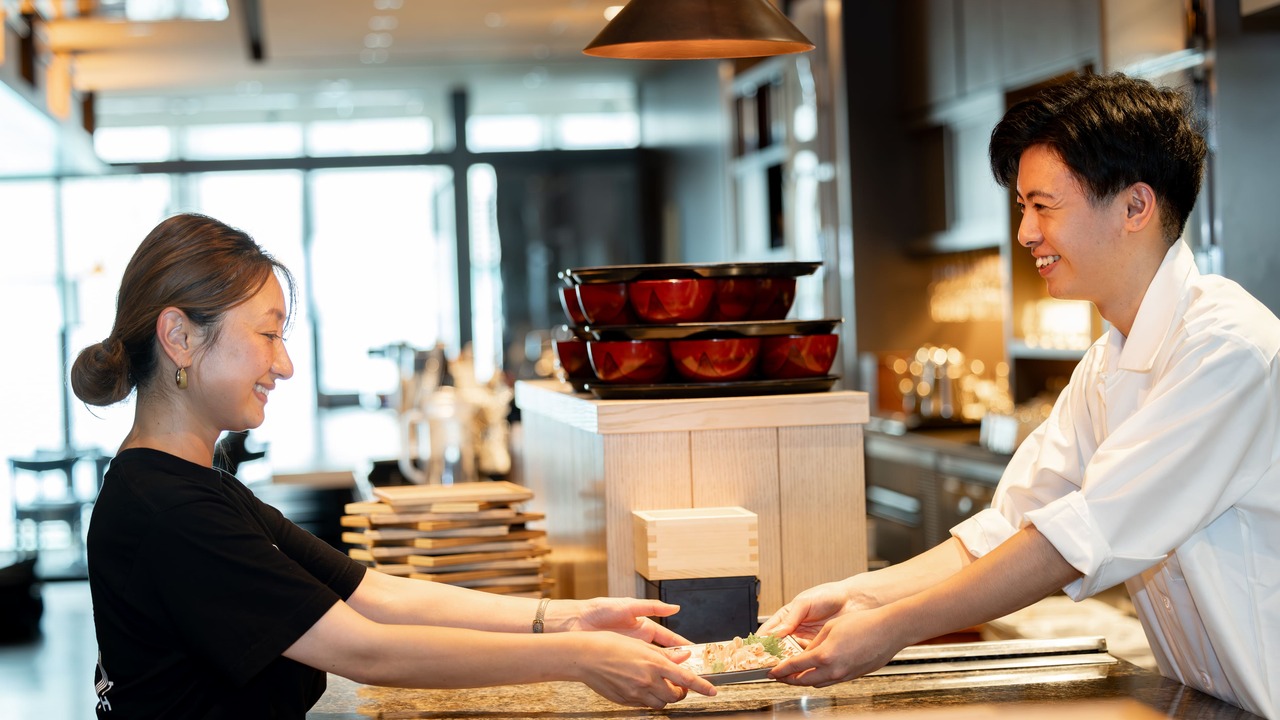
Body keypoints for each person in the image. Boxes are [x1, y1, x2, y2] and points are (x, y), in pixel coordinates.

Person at [758, 72, 1279, 718]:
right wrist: (863, 597)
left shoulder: (1227, 350)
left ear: (1135, 207)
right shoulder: (1106, 363)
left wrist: (894, 630)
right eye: (1021, 208)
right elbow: (1010, 528)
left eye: (1044, 205)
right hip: (1209, 700)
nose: (1027, 233)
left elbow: (1080, 536)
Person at [71, 213, 716, 718]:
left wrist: (568, 617)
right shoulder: (170, 512)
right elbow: (363, 648)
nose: (286, 364)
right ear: (180, 336)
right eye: (269, 335)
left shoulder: (188, 487)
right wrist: (577, 658)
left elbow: (371, 594)